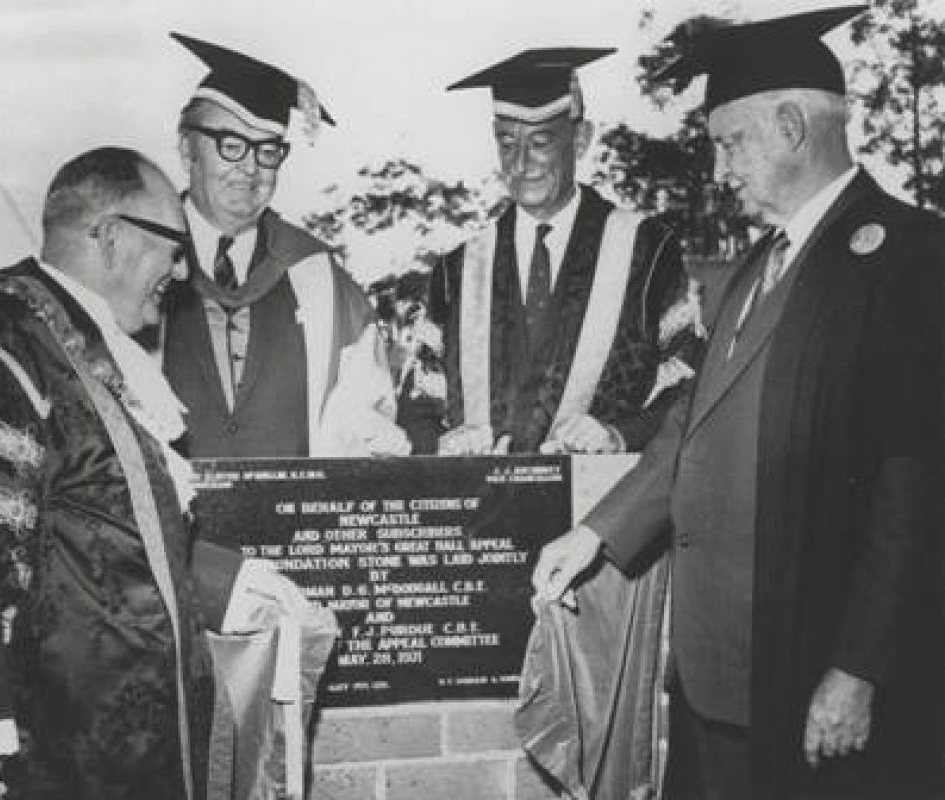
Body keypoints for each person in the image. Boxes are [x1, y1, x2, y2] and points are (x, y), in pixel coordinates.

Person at [532, 7, 944, 799]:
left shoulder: (913, 258)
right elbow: (695, 420)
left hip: (815, 676)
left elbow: (915, 491)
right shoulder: (757, 263)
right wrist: (596, 533)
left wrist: (859, 668)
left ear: (792, 126)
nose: (721, 172)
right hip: (717, 681)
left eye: (730, 143)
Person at [0, 147, 315, 799]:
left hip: (133, 742)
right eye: (172, 245)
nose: (181, 268)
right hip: (58, 748)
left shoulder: (81, 344)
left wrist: (237, 586)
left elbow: (115, 528)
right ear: (109, 235)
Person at [431, 48, 695, 455]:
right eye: (506, 143)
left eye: (540, 143)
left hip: (597, 504)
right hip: (481, 509)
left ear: (580, 139)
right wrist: (443, 442)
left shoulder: (647, 251)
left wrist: (620, 435)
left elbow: (686, 384)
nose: (521, 164)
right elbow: (418, 403)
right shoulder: (459, 269)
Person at [162, 34, 408, 458]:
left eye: (269, 150)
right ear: (187, 151)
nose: (251, 168)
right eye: (232, 146)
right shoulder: (142, 259)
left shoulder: (317, 274)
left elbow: (364, 413)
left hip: (290, 521)